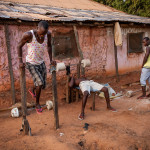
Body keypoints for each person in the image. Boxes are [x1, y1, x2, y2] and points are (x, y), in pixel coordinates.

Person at [18, 21, 56, 114]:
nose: (43, 35)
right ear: (37, 28)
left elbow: (49, 46)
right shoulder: (28, 35)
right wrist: (20, 61)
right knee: (39, 83)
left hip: (41, 62)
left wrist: (51, 60)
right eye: (41, 33)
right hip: (31, 63)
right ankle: (37, 104)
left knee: (43, 84)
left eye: (45, 33)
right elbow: (19, 46)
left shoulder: (48, 34)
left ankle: (32, 89)